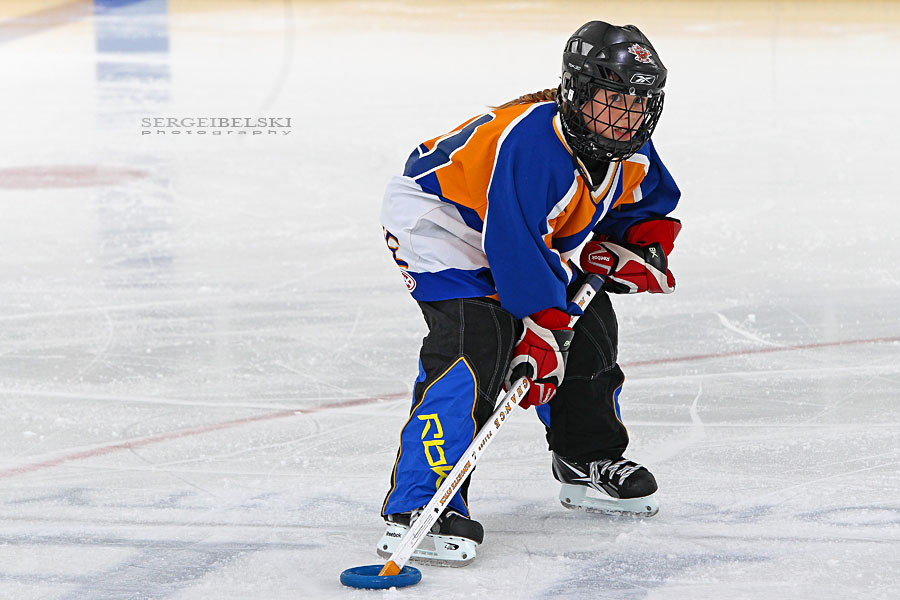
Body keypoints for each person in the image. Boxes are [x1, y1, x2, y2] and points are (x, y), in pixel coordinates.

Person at [377, 21, 682, 566]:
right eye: (611, 99)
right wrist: (539, 325)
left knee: (589, 326)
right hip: (444, 224)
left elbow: (642, 204)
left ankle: (585, 458)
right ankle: (419, 502)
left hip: (523, 227)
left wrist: (641, 243)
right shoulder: (534, 143)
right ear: (577, 91)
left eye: (638, 103)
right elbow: (512, 242)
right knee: (477, 343)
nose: (624, 116)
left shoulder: (627, 142)